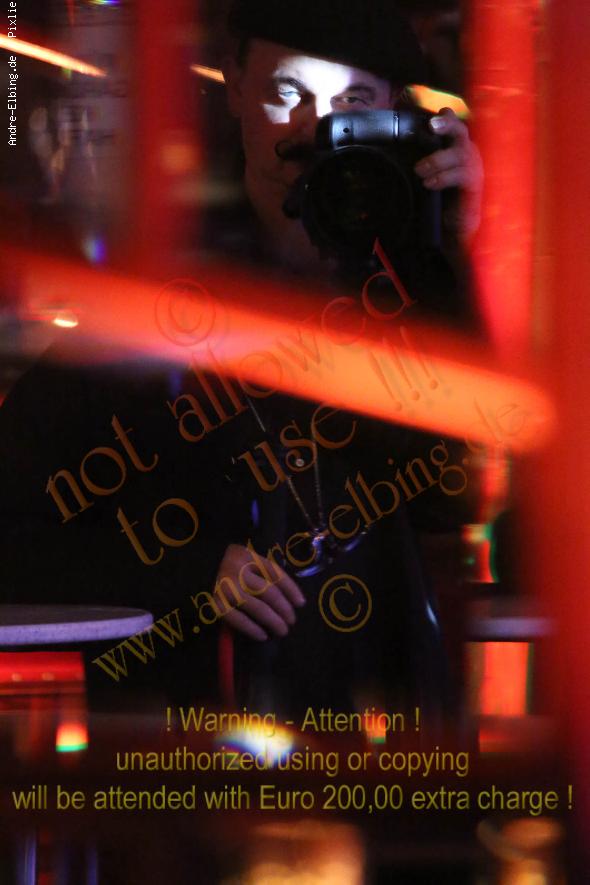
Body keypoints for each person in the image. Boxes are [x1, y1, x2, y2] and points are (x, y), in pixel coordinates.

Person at [0, 0, 482, 720]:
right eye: (289, 92)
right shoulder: (154, 293)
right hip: (189, 733)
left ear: (393, 116)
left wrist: (453, 253)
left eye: (353, 104)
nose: (315, 130)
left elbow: (454, 499)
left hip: (374, 723)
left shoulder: (405, 280)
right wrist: (190, 571)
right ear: (233, 84)